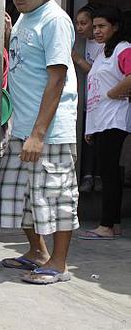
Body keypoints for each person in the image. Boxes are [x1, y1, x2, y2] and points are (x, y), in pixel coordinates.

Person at [0, 0, 80, 285]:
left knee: (58, 197)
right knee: (18, 196)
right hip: (22, 127)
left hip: (48, 131)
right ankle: (37, 251)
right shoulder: (24, 17)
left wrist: (38, 134)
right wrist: (9, 36)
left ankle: (58, 264)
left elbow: (57, 79)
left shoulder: (55, 19)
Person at [78, 6, 131, 240]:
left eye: (102, 26)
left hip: (113, 119)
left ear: (115, 27)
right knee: (108, 173)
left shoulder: (123, 48)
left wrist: (114, 93)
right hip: (100, 121)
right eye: (95, 26)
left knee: (108, 174)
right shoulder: (103, 53)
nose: (97, 31)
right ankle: (114, 224)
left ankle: (106, 225)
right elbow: (95, 87)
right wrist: (91, 127)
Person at [72, 4, 104, 193]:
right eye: (77, 23)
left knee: (97, 140)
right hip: (85, 100)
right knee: (87, 140)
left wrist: (76, 58)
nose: (79, 27)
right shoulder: (82, 42)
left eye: (83, 23)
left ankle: (97, 177)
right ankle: (88, 176)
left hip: (100, 101)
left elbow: (98, 73)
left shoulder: (103, 45)